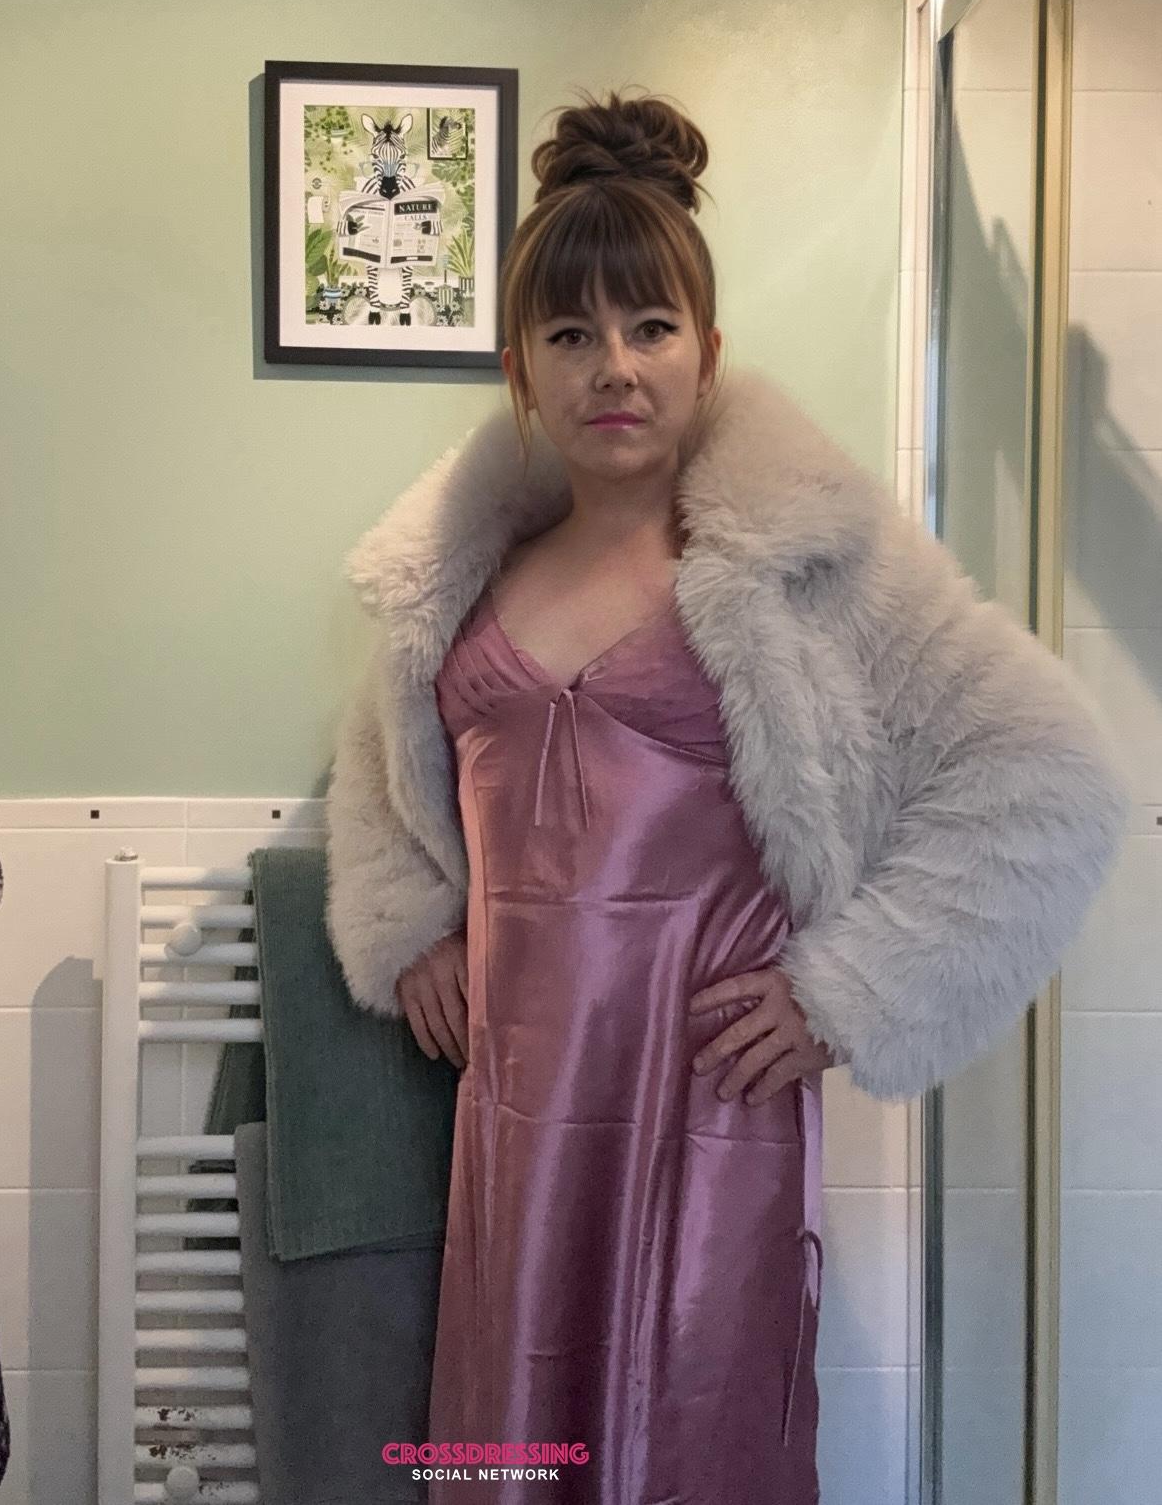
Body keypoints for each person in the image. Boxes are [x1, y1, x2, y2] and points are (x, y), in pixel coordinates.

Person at [323, 90, 1129, 1504]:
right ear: (519, 368)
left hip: (706, 1117)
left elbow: (1055, 775)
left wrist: (850, 990)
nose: (613, 368)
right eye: (570, 335)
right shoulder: (457, 580)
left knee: (688, 1439)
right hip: (517, 1119)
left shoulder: (800, 574)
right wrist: (412, 923)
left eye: (649, 327)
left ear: (708, 351)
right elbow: (386, 768)